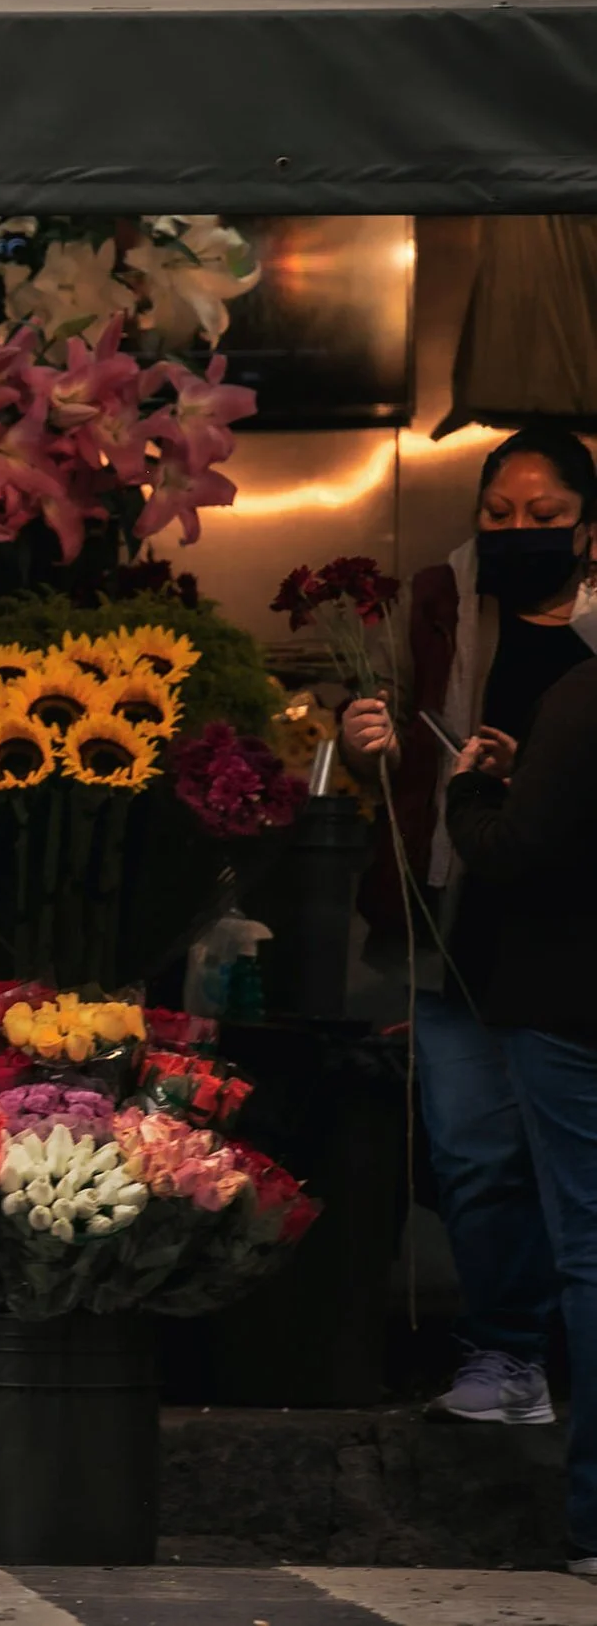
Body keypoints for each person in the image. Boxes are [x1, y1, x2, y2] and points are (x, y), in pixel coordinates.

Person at [342, 424, 597, 1428]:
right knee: (473, 1147)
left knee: (571, 1168)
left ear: (586, 530)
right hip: (462, 917)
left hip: (572, 938)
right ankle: (506, 1349)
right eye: (498, 515)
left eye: (543, 517)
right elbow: (394, 744)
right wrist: (366, 740)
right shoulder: (441, 605)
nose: (516, 532)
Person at [443, 650, 597, 1576]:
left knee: (591, 1246)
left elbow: (518, 849)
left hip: (574, 1006)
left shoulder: (584, 693)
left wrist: (468, 795)